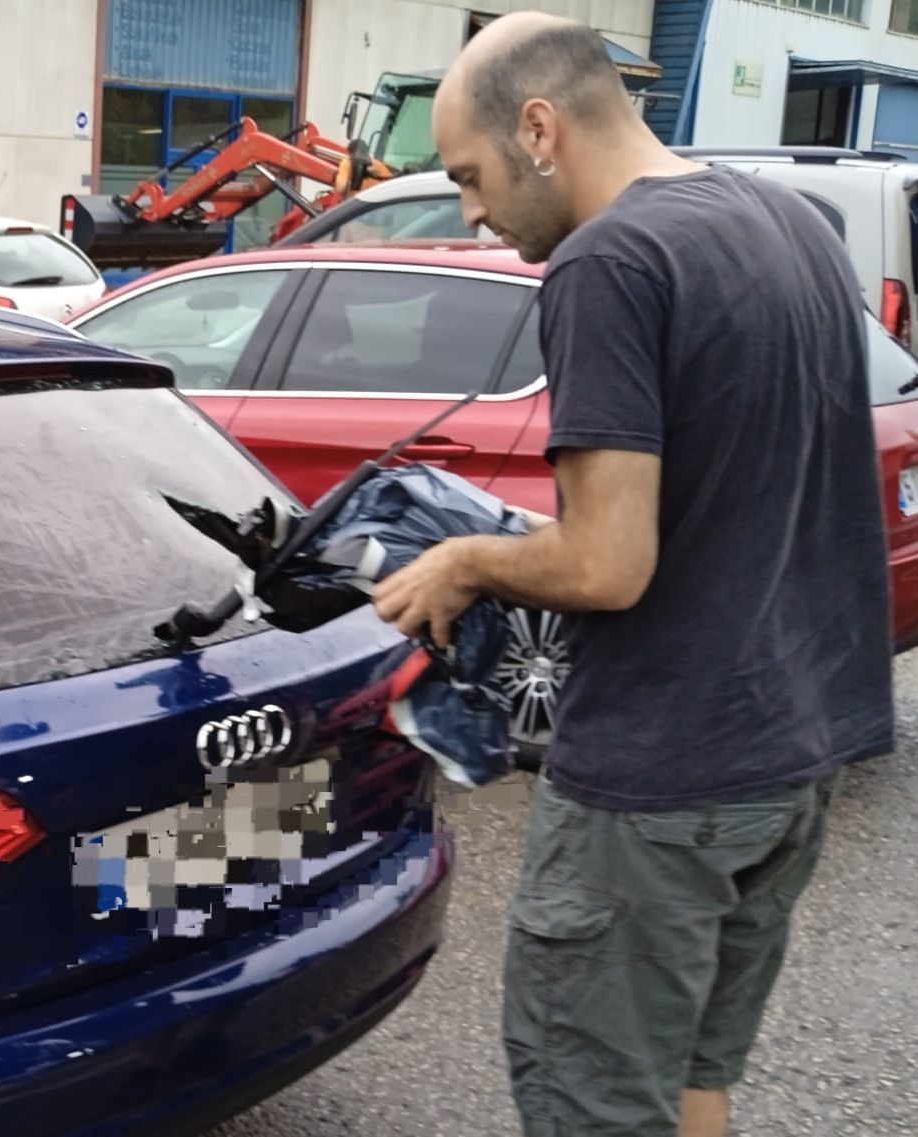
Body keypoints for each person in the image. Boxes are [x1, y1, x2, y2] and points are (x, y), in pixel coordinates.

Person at [370, 12, 895, 1137]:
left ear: (538, 129)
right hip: (792, 756)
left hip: (662, 784)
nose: (469, 212)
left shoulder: (606, 261)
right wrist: (519, 533)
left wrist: (464, 560)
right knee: (693, 1079)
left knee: (596, 1104)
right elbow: (725, 499)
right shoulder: (785, 224)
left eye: (467, 176)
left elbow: (607, 564)